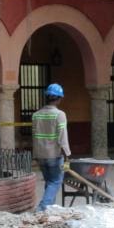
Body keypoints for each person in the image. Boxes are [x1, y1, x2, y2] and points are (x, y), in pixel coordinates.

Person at [32, 83, 72, 211]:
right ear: (59, 99)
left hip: (40, 154)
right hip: (54, 155)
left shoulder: (36, 115)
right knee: (55, 182)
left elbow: (34, 136)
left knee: (49, 182)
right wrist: (67, 154)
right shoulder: (59, 115)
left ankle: (50, 209)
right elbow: (62, 136)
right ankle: (43, 207)